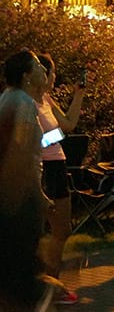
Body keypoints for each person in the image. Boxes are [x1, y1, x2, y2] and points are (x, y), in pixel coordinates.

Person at [0, 50, 51, 310]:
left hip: (13, 196)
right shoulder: (22, 104)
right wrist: (30, 197)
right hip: (19, 199)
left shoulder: (8, 98)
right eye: (38, 66)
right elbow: (19, 154)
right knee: (21, 278)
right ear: (27, 75)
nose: (44, 70)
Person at [34, 54, 85, 306]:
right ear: (42, 74)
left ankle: (48, 282)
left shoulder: (45, 99)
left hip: (58, 165)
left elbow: (69, 124)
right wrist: (54, 137)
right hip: (43, 168)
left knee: (61, 230)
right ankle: (48, 285)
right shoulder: (26, 102)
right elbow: (30, 141)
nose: (55, 77)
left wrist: (79, 95)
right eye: (52, 72)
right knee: (46, 231)